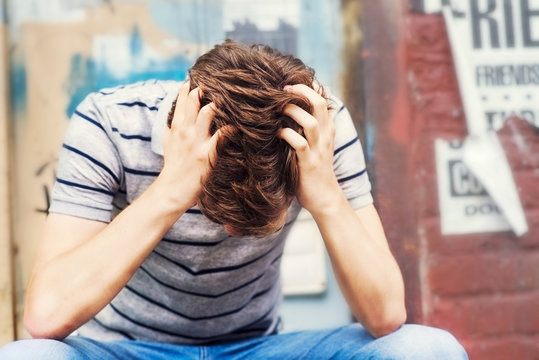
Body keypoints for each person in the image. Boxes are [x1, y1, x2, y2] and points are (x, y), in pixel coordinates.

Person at [0, 40, 468, 359]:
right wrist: (169, 192)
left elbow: (386, 315)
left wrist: (324, 194)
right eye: (215, 212)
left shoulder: (319, 130)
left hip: (258, 348)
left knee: (428, 350)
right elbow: (46, 316)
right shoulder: (107, 123)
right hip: (127, 348)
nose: (230, 235)